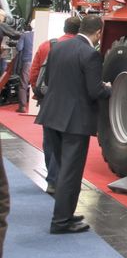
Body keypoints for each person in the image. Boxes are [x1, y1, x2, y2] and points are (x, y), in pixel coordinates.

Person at [35, 14, 112, 234]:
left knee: (62, 170)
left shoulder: (58, 47)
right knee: (71, 172)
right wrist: (110, 88)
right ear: (98, 33)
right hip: (74, 123)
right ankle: (61, 222)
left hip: (51, 116)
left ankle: (65, 213)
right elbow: (95, 90)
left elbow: (49, 81)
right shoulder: (90, 54)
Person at [29, 16, 82, 194]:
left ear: (64, 28)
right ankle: (59, 179)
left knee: (49, 141)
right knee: (67, 142)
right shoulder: (82, 49)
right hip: (71, 102)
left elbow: (34, 72)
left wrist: (38, 92)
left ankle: (52, 179)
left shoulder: (47, 45)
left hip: (47, 100)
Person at [15, 23, 33, 113]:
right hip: (38, 61)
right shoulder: (42, 34)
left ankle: (22, 107)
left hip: (27, 62)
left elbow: (19, 47)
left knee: (23, 83)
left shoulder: (25, 35)